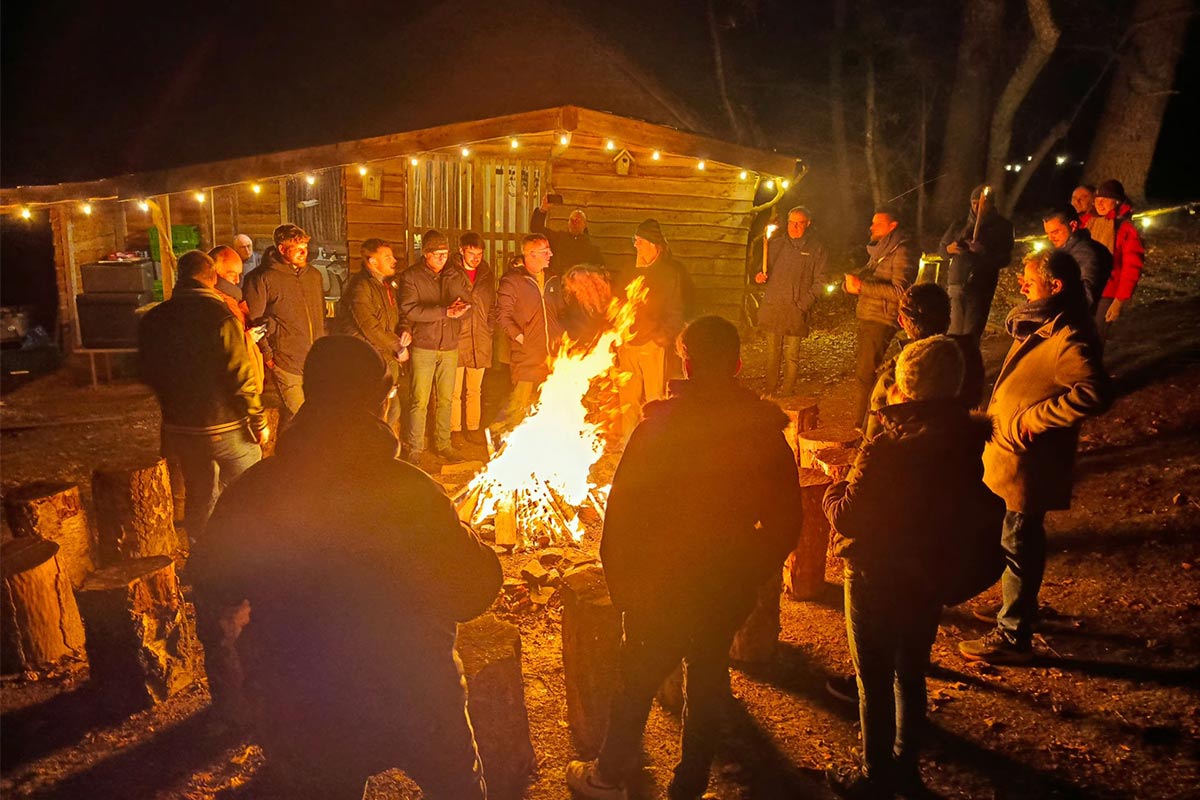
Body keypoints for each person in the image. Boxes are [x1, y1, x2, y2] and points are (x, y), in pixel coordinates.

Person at [191, 335, 500, 798]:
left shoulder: (256, 490)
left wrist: (247, 661)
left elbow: (213, 577)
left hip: (301, 698)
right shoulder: (410, 491)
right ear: (380, 402)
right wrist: (469, 538)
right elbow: (474, 591)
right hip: (413, 689)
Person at [566, 316, 803, 800]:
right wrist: (749, 567)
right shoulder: (760, 431)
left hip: (662, 583)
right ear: (737, 364)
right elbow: (785, 523)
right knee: (708, 675)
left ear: (686, 364)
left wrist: (625, 590)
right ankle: (688, 786)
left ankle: (609, 776)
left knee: (637, 679)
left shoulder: (658, 430)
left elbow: (622, 517)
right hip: (723, 583)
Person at [824, 336, 995, 798]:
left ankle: (876, 777)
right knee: (911, 669)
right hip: (929, 572)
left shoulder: (888, 446)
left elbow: (847, 515)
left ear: (905, 386)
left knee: (873, 678)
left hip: (875, 573)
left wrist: (835, 483)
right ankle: (906, 768)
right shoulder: (964, 438)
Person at [959, 251, 1108, 664]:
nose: (1021, 286)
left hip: (1028, 462)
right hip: (1012, 456)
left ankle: (1013, 633)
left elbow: (1094, 392)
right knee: (1017, 540)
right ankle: (1018, 605)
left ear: (1055, 285)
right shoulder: (1043, 324)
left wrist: (1030, 420)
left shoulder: (1068, 335)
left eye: (1029, 280)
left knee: (1017, 541)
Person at [138, 250, 266, 538]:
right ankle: (252, 550)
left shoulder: (154, 318)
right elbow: (240, 376)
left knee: (200, 493)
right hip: (224, 425)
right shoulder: (220, 317)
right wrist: (258, 420)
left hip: (180, 427)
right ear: (212, 279)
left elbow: (145, 371)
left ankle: (203, 554)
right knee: (252, 489)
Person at [862, 283, 984, 442]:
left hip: (913, 459)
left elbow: (874, 440)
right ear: (948, 317)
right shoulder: (969, 355)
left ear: (901, 321)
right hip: (962, 451)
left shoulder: (898, 377)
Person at [398, 230, 472, 464]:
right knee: (420, 399)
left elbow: (466, 299)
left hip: (449, 344)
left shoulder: (454, 273)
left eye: (445, 254)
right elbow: (410, 309)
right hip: (425, 346)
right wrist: (444, 312)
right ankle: (416, 447)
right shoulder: (412, 277)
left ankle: (443, 444)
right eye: (437, 254)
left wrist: (461, 308)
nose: (442, 258)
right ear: (426, 254)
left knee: (446, 398)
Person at [243, 223, 326, 421]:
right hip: (286, 360)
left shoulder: (313, 276)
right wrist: (268, 354)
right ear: (281, 249)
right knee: (303, 417)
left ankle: (287, 450)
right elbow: (254, 320)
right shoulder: (261, 278)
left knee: (303, 416)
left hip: (315, 360)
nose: (303, 252)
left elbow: (320, 313)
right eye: (297, 248)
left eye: (305, 247)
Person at [844, 208, 919, 428]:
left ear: (892, 226)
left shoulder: (902, 250)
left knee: (865, 374)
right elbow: (869, 277)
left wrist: (863, 287)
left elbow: (901, 291)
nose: (872, 227)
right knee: (864, 373)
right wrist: (851, 284)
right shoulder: (881, 251)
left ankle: (862, 425)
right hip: (869, 315)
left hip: (882, 318)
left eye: (878, 223)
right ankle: (866, 420)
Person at [616, 219, 688, 441]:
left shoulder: (669, 274)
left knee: (654, 399)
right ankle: (629, 444)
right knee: (628, 401)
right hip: (627, 344)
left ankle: (654, 444)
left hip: (652, 345)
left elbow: (676, 311)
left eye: (639, 241)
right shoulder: (629, 270)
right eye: (635, 240)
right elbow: (617, 302)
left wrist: (661, 337)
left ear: (653, 244)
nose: (635, 245)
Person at [335, 238, 411, 436]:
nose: (393, 260)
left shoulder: (387, 286)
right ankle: (370, 460)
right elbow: (370, 327)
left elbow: (397, 316)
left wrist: (405, 330)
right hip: (369, 363)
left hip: (386, 360)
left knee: (392, 410)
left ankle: (384, 457)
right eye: (387, 257)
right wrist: (398, 347)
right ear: (372, 262)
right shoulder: (360, 288)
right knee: (375, 415)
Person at [754, 206, 827, 397]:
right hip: (774, 306)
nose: (794, 227)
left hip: (795, 309)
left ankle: (787, 391)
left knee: (791, 355)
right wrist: (759, 276)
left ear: (807, 224)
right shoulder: (776, 245)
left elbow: (820, 282)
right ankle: (770, 389)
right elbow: (763, 270)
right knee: (772, 353)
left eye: (799, 223)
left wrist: (803, 305)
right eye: (791, 222)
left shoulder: (815, 249)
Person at [496, 233, 566, 429]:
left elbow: (559, 311)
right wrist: (522, 339)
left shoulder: (552, 278)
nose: (550, 254)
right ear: (531, 254)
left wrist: (561, 336)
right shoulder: (513, 281)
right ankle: (501, 443)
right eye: (545, 251)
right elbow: (502, 315)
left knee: (544, 405)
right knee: (519, 404)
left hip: (551, 356)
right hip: (526, 357)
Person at [939, 185, 1015, 341]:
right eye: (974, 202)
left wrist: (983, 252)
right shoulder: (960, 223)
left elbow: (1004, 258)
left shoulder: (1003, 226)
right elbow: (942, 249)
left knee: (970, 333)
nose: (977, 206)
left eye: (982, 203)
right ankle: (953, 362)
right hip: (957, 283)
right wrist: (950, 249)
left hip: (981, 287)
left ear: (991, 204)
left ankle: (969, 363)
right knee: (952, 331)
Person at [451, 232, 496, 445]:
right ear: (461, 250)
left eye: (479, 254)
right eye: (471, 253)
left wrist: (489, 327)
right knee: (453, 390)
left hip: (480, 338)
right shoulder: (451, 272)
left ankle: (473, 427)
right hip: (457, 339)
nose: (475, 258)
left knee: (475, 389)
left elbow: (492, 306)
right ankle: (455, 430)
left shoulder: (486, 274)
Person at [1086, 179, 1146, 340]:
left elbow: (1132, 267)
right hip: (1086, 289)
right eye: (1097, 200)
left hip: (1107, 293)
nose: (1099, 204)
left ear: (1117, 201)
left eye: (1105, 200)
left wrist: (1119, 301)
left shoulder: (1125, 228)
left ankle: (1092, 365)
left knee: (1096, 338)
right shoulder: (1090, 223)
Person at [1042, 208, 1113, 312]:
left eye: (1055, 232)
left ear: (1073, 225)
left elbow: (1087, 295)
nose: (1050, 238)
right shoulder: (1065, 251)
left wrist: (1060, 313)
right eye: (1047, 233)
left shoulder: (1086, 253)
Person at [531, 194, 605, 271]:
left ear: (585, 224)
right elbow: (536, 228)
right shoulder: (557, 239)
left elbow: (600, 270)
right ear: (568, 222)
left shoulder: (592, 249)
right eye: (572, 220)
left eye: (578, 221)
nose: (574, 223)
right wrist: (543, 209)